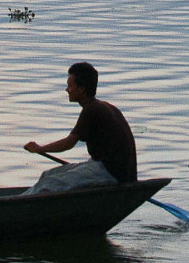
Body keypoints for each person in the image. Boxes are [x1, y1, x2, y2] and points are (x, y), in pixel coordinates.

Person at [23, 61, 137, 194]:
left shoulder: (92, 109)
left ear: (82, 88)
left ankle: (14, 208)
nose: (67, 90)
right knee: (47, 175)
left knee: (49, 184)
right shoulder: (103, 106)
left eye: (70, 86)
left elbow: (68, 143)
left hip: (111, 172)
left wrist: (39, 148)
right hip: (109, 168)